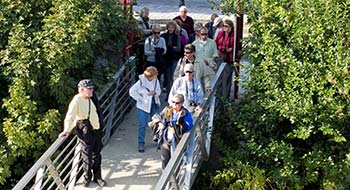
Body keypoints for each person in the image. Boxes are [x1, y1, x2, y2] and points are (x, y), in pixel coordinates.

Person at [59, 79, 106, 187]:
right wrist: (66, 130)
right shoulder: (77, 100)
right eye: (89, 89)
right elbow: (70, 117)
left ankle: (98, 177)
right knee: (87, 156)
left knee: (97, 155)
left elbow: (97, 111)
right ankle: (87, 177)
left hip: (96, 129)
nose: (91, 90)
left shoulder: (92, 98)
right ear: (81, 90)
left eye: (92, 88)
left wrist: (100, 127)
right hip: (86, 131)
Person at [129, 66, 161, 152]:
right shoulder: (140, 82)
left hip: (153, 103)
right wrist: (141, 99)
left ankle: (158, 139)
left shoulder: (156, 81)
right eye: (155, 75)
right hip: (143, 106)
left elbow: (159, 90)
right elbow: (132, 91)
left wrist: (155, 93)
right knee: (142, 125)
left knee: (157, 122)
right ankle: (141, 143)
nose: (156, 76)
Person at [159, 94, 193, 169]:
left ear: (182, 103)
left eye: (177, 103)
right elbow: (161, 117)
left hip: (177, 140)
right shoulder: (168, 109)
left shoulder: (185, 113)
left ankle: (175, 179)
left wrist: (176, 128)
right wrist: (161, 124)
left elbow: (188, 125)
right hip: (166, 138)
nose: (174, 104)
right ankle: (165, 178)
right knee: (164, 160)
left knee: (175, 161)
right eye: (173, 102)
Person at [192, 27, 218, 92]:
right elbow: (192, 55)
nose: (204, 36)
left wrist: (210, 60)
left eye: (206, 34)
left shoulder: (212, 42)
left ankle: (209, 101)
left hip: (208, 66)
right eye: (202, 34)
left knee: (209, 86)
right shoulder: (194, 43)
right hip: (198, 67)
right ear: (199, 34)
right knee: (198, 86)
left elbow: (215, 54)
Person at [160, 21, 182, 96]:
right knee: (167, 76)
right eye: (169, 27)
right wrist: (172, 47)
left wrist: (170, 48)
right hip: (166, 58)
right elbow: (163, 47)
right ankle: (168, 94)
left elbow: (178, 49)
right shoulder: (163, 36)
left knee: (173, 75)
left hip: (174, 58)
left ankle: (174, 93)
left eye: (172, 27)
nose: (171, 29)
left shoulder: (177, 37)